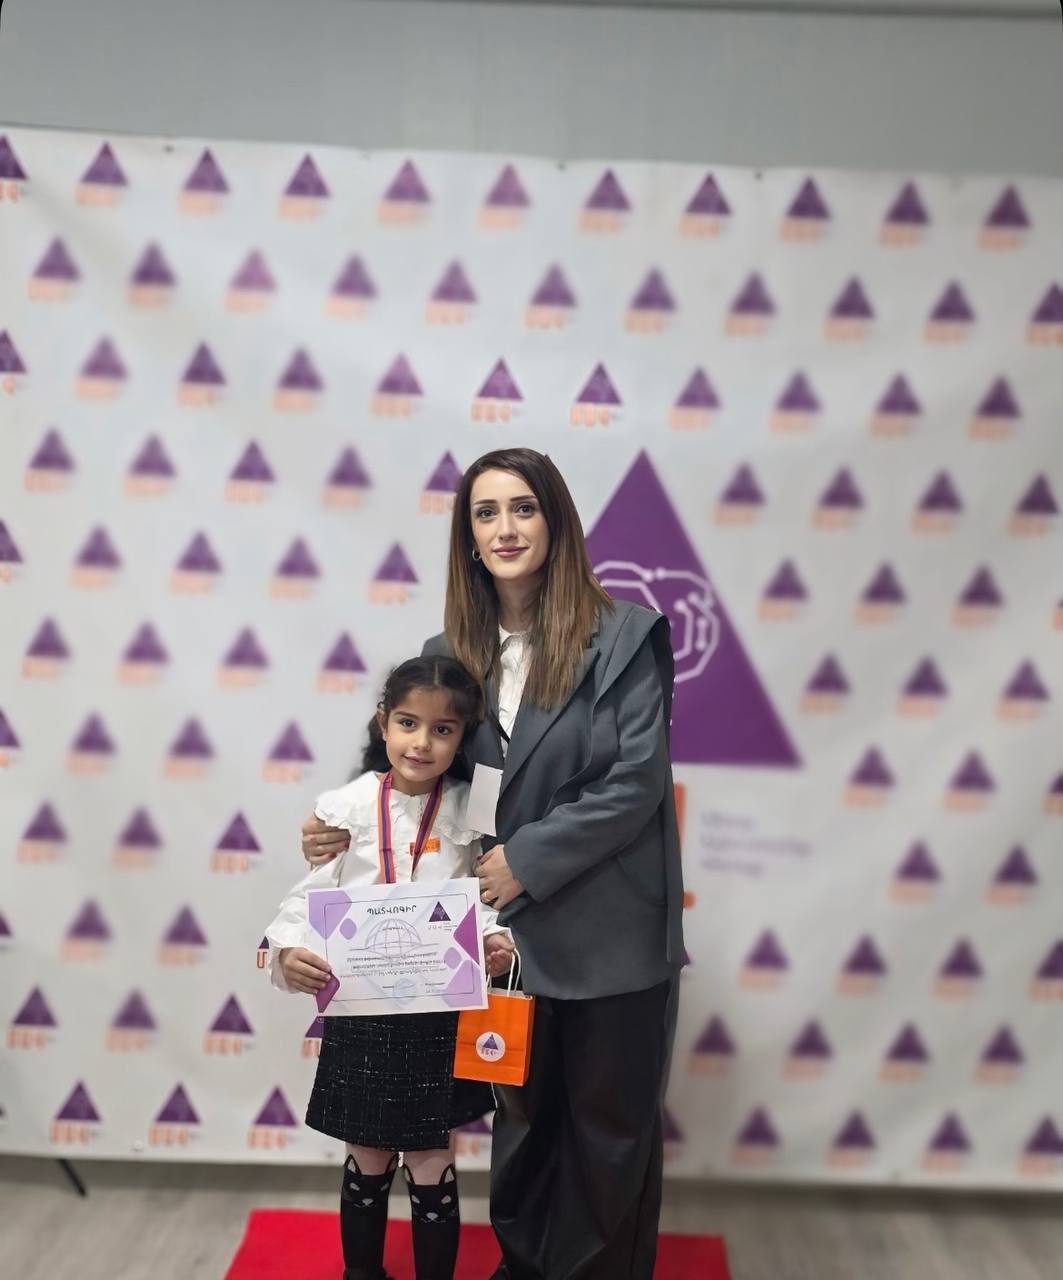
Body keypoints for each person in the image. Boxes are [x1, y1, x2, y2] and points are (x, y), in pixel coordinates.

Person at [302, 448, 685, 1280]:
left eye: (522, 508)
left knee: (606, 1131)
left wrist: (528, 861)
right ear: (468, 538)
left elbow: (635, 782)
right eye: (485, 513)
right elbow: (416, 768)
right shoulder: (451, 647)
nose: (504, 528)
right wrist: (341, 824)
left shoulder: (624, 636)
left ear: (555, 522)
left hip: (610, 927)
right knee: (521, 1122)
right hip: (502, 936)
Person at [267, 655, 516, 1280]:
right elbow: (307, 898)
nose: (422, 743)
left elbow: (482, 895)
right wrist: (287, 952)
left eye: (442, 729)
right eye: (408, 723)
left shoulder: (472, 809)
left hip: (438, 1013)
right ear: (383, 724)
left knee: (432, 1159)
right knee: (367, 1155)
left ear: (462, 737)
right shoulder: (346, 806)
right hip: (362, 1012)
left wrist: (493, 940)